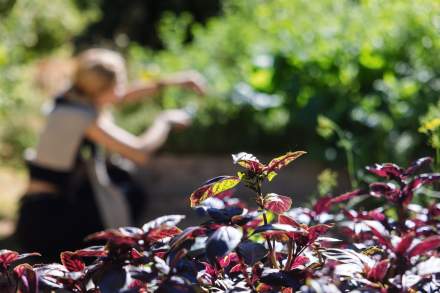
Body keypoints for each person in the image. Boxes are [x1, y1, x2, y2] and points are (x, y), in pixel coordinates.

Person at [14, 48, 206, 260]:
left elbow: (121, 96)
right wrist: (165, 121)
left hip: (44, 210)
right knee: (129, 200)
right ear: (101, 90)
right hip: (50, 221)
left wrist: (173, 82)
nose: (122, 90)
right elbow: (139, 153)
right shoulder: (81, 117)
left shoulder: (72, 98)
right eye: (120, 84)